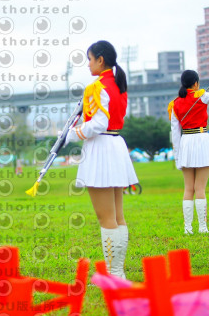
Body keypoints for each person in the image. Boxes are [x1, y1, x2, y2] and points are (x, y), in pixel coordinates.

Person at [63, 41, 138, 279]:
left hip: (101, 148)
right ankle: (117, 273)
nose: (88, 64)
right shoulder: (119, 84)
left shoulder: (96, 87)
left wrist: (71, 134)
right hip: (115, 145)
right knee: (117, 216)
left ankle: (114, 275)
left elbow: (97, 124)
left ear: (100, 60)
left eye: (90, 59)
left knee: (106, 217)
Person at [169, 70, 209, 234]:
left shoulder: (175, 103)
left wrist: (177, 157)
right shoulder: (201, 95)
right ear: (196, 83)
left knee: (188, 188)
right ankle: (202, 228)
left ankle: (188, 229)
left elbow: (175, 133)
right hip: (202, 140)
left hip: (186, 143)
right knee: (200, 188)